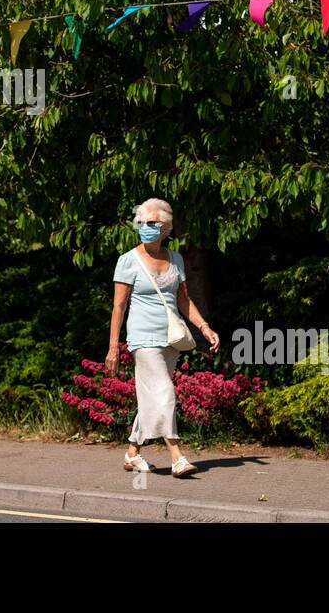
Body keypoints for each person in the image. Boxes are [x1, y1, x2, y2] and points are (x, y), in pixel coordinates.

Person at [106, 198, 220, 476]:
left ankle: (132, 452)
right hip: (142, 339)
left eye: (152, 223)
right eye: (142, 223)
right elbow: (118, 306)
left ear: (166, 227)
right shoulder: (128, 261)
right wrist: (113, 348)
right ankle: (177, 456)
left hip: (170, 339)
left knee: (151, 397)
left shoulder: (176, 259)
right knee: (164, 393)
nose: (146, 227)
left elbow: (184, 300)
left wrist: (204, 327)